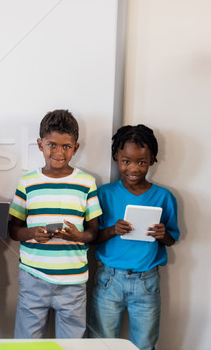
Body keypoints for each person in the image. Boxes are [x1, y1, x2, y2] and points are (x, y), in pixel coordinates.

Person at [9, 109, 101, 338]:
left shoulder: (87, 183)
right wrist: (32, 233)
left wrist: (78, 237)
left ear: (75, 148)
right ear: (40, 145)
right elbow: (13, 229)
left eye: (66, 146)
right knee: (26, 342)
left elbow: (94, 231)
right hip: (33, 277)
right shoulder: (27, 182)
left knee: (72, 343)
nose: (59, 152)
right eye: (52, 145)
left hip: (73, 281)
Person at [88, 124, 179, 350]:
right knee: (101, 343)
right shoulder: (104, 194)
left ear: (152, 161)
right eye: (126, 161)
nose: (134, 168)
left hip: (146, 281)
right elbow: (91, 237)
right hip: (109, 279)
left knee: (145, 344)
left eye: (142, 162)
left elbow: (172, 239)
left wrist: (162, 235)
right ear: (116, 158)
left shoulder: (164, 197)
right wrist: (112, 230)